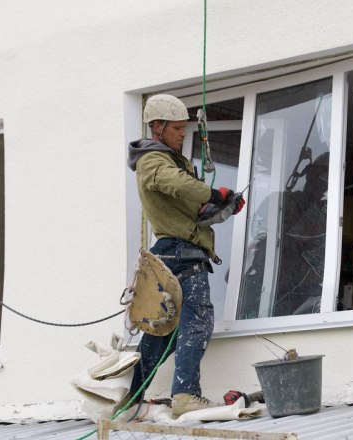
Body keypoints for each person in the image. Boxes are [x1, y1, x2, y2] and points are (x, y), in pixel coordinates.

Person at [126, 94, 245, 417]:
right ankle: (186, 394)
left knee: (162, 331)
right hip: (179, 252)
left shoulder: (166, 160)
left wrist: (221, 207)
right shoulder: (154, 161)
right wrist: (211, 193)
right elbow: (175, 184)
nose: (182, 133)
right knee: (198, 320)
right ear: (158, 127)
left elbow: (187, 205)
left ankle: (130, 396)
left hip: (174, 251)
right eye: (177, 128)